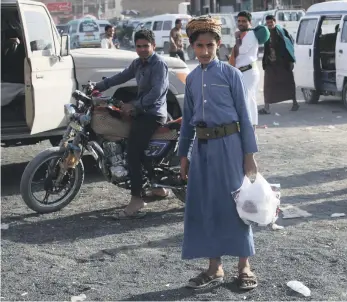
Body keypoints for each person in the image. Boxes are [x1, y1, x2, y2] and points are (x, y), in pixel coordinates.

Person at [178, 16, 259, 290]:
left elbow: (245, 118)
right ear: (192, 47)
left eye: (209, 45)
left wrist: (249, 155)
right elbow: (187, 121)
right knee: (207, 205)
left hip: (230, 146)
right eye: (199, 46)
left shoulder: (231, 74)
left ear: (218, 45)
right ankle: (215, 268)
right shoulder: (190, 80)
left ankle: (244, 265)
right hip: (201, 150)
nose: (204, 51)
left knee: (237, 205)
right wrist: (183, 156)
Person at [94, 29, 170, 219]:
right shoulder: (138, 63)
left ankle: (137, 199)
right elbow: (121, 76)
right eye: (139, 46)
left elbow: (157, 93)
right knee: (136, 147)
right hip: (141, 112)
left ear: (153, 46)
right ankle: (158, 187)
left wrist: (134, 106)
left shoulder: (159, 64)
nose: (142, 49)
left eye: (146, 46)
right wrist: (97, 86)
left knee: (132, 153)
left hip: (153, 114)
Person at [259, 14, 298, 114]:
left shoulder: (281, 31)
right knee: (268, 85)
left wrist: (290, 60)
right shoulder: (265, 33)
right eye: (267, 23)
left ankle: (295, 103)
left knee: (288, 83)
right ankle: (266, 107)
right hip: (270, 64)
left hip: (282, 63)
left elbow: (289, 44)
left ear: (274, 21)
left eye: (271, 22)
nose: (269, 24)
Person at [229, 11, 259, 128]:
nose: (240, 23)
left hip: (249, 71)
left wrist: (237, 38)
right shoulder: (242, 34)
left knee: (249, 99)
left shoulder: (250, 35)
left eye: (244, 21)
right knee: (243, 99)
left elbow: (239, 51)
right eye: (239, 21)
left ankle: (252, 126)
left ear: (249, 22)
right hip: (241, 71)